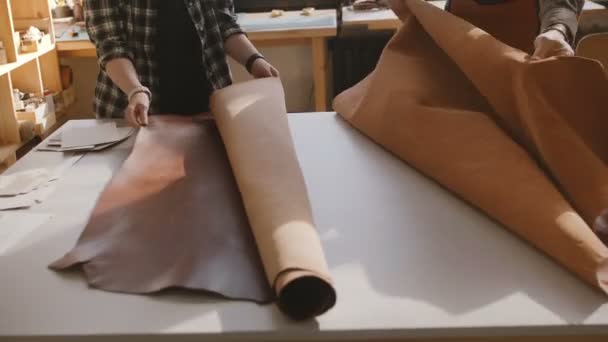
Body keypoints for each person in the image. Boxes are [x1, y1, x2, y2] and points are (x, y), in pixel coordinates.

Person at [84, 0, 280, 126]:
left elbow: (224, 22)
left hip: (209, 108)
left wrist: (255, 61)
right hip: (135, 113)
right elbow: (111, 44)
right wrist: (136, 91)